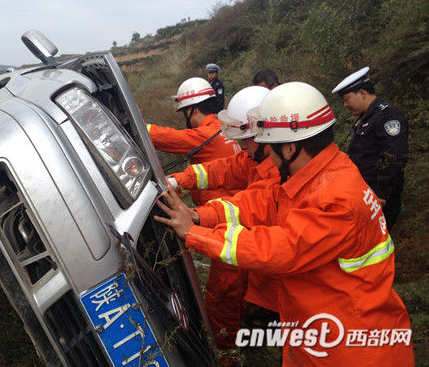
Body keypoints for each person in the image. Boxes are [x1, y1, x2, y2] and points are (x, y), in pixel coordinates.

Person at [155, 82, 414, 365]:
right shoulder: (323, 171)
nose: (263, 152)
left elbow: (280, 249)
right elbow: (266, 200)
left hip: (350, 345)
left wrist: (195, 234)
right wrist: (198, 216)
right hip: (326, 329)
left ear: (290, 148)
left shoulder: (334, 199)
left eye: (269, 144)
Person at [169, 86, 279, 357]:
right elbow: (226, 168)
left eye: (247, 139)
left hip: (275, 270)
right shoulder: (259, 157)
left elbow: (248, 206)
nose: (241, 146)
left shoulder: (277, 172)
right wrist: (179, 180)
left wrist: (195, 217)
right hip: (262, 262)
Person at [332, 67, 408, 229]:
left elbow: (392, 156)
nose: (345, 105)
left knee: (377, 243)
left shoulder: (388, 116)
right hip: (366, 194)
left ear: (362, 93)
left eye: (347, 99)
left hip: (379, 198)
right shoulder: (367, 117)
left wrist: (381, 193)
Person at [147, 77, 239, 207]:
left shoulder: (204, 135)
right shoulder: (223, 127)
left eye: (184, 113)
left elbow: (165, 137)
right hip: (236, 202)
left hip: (219, 211)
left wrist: (137, 127)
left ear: (193, 111)